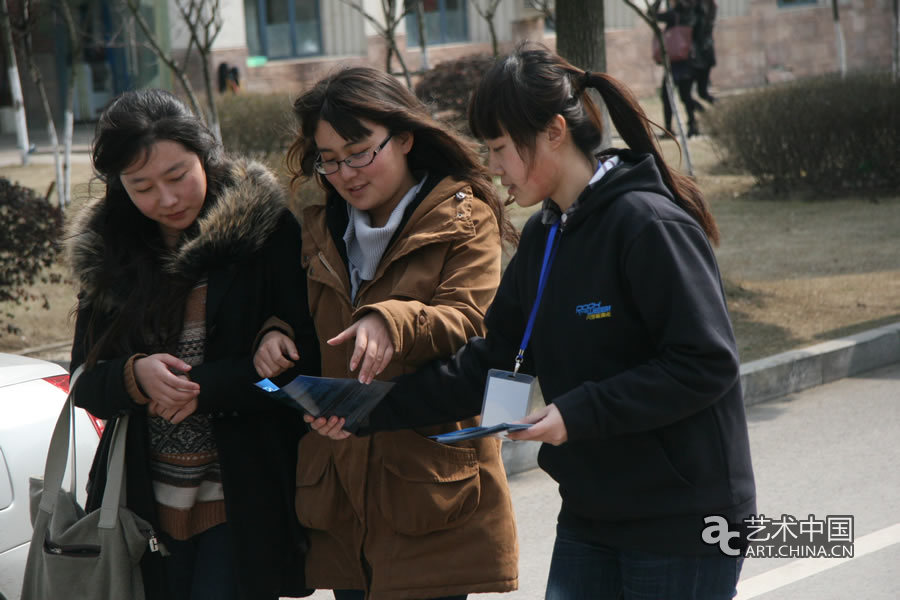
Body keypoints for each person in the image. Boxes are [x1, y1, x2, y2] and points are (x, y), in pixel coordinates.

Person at [312, 44, 757, 599]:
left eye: (499, 148)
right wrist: (364, 410)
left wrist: (577, 412)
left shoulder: (646, 224)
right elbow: (492, 363)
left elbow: (705, 364)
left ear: (552, 132)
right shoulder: (547, 236)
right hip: (593, 514)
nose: (493, 167)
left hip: (682, 522)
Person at [252, 66, 520, 600]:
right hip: (341, 493)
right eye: (328, 161)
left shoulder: (463, 217)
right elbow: (300, 317)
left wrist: (390, 318)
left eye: (359, 152)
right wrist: (274, 333)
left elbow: (470, 321)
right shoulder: (317, 227)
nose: (345, 173)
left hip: (427, 491)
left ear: (403, 137)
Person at [66, 89, 318, 600]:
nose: (166, 199)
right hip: (142, 510)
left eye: (178, 176)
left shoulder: (265, 232)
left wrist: (207, 385)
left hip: (244, 499)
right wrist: (133, 377)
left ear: (205, 152)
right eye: (142, 187)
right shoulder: (111, 253)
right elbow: (84, 383)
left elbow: (296, 377)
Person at [656, 0, 702, 136]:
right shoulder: (694, 13)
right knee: (686, 96)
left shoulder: (673, 15)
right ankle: (692, 126)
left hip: (675, 62)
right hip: (689, 60)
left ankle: (669, 129)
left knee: (667, 95)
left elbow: (652, 14)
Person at [692, 0, 718, 104]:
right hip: (704, 54)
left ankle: (717, 105)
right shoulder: (709, 7)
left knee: (701, 92)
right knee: (701, 92)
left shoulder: (699, 10)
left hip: (700, 56)